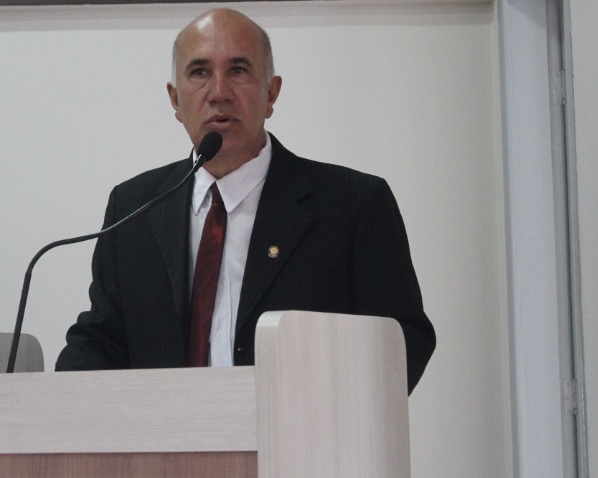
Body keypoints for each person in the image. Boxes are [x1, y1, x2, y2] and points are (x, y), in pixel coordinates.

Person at [56, 8, 435, 394]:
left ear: (271, 93)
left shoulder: (353, 204)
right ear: (175, 100)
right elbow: (101, 341)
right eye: (200, 72)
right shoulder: (133, 208)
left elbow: (403, 342)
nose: (219, 92)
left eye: (238, 70)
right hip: (167, 431)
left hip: (305, 429)